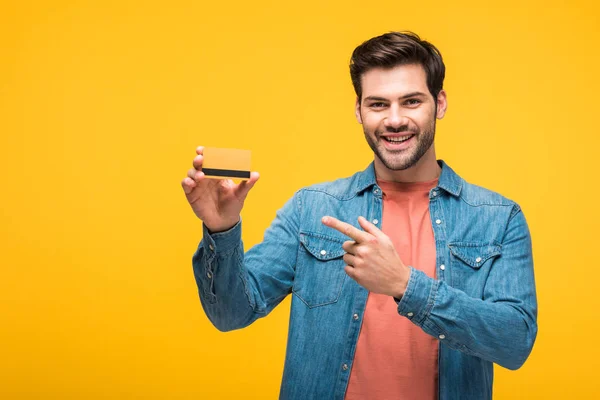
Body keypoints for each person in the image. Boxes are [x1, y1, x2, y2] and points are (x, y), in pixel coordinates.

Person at [181, 31, 538, 400]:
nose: (394, 120)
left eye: (412, 101)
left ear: (440, 103)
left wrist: (404, 285)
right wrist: (221, 229)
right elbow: (231, 313)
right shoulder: (312, 208)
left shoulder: (498, 218)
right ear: (358, 111)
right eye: (378, 104)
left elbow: (515, 342)